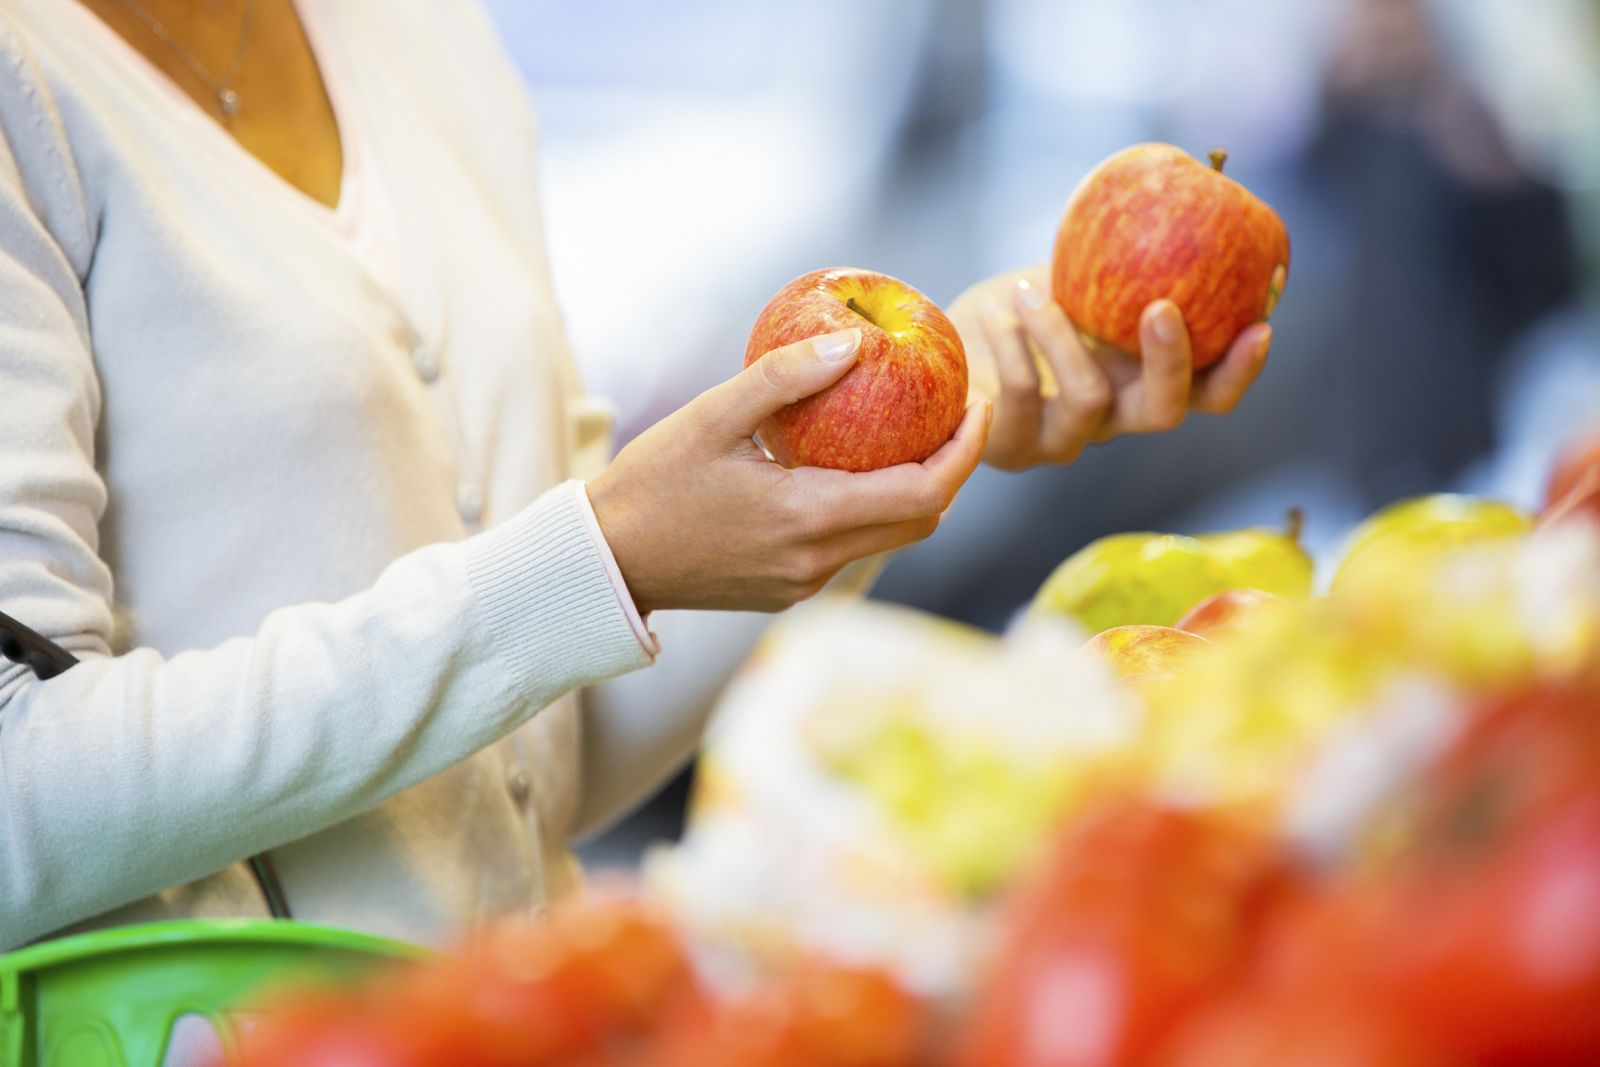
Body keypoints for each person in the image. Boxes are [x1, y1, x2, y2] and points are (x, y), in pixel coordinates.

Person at [0, 0, 1270, 950]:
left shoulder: (413, 35)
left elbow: (530, 755)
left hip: (534, 1009)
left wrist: (947, 418)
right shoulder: (30, 81)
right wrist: (599, 557)